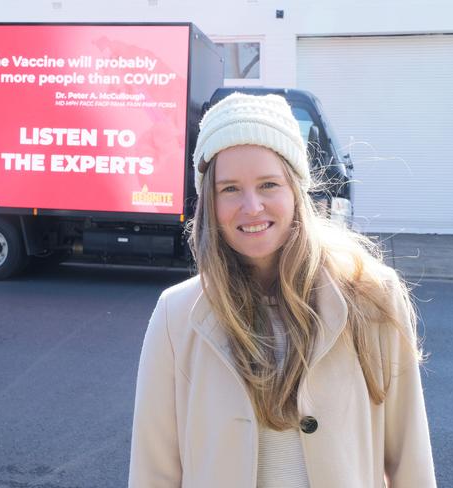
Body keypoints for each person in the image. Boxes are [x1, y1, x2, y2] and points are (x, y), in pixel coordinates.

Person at [129, 93, 436, 487]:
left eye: (268, 184)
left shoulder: (371, 295)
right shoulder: (176, 314)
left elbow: (411, 462)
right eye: (230, 189)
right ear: (209, 201)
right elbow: (154, 472)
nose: (252, 206)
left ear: (296, 190)